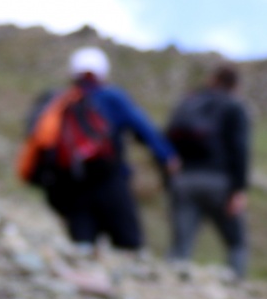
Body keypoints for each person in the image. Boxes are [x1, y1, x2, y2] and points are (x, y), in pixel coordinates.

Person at [18, 46, 178, 254]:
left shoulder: (60, 101)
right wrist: (168, 157)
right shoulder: (112, 97)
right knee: (130, 247)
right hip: (110, 181)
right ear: (102, 72)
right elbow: (143, 128)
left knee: (82, 249)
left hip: (71, 186)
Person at [165, 63, 252, 278]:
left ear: (212, 79)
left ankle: (170, 290)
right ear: (235, 85)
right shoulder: (234, 107)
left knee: (180, 245)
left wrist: (170, 176)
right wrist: (238, 190)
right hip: (219, 183)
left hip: (184, 181)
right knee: (236, 243)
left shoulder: (189, 102)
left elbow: (166, 138)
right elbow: (240, 149)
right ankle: (235, 289)